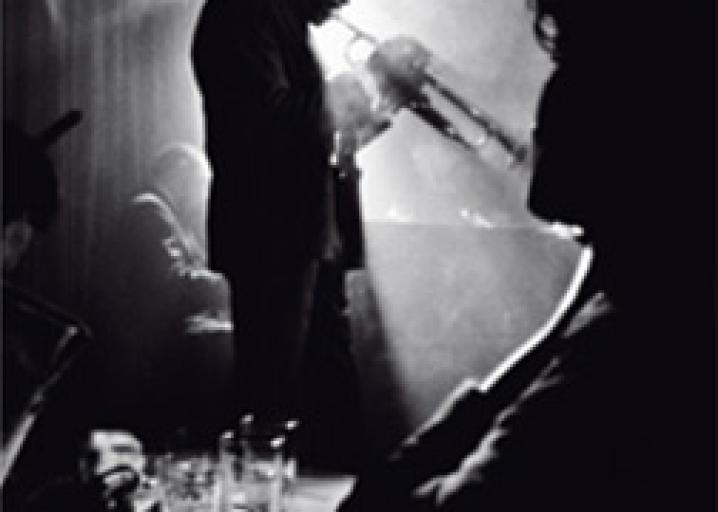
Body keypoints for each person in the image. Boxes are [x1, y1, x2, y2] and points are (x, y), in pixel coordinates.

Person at [336, 2, 696, 510]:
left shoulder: (619, 345)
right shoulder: (635, 312)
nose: (540, 197)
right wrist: (573, 313)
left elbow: (464, 499)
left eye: (549, 136)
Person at [191, 0, 368, 469]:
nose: (345, 1)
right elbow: (262, 125)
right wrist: (342, 96)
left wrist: (355, 117)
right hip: (272, 237)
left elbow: (302, 136)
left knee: (322, 395)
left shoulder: (277, 19)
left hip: (303, 235)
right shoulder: (243, 13)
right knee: (273, 397)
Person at [88, 143, 233, 449]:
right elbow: (169, 282)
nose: (201, 197)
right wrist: (228, 285)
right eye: (200, 185)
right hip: (150, 353)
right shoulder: (150, 212)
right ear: (179, 174)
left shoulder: (159, 213)